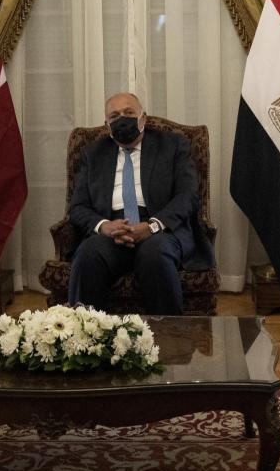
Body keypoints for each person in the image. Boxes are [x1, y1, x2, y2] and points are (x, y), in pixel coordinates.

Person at [67, 92, 214, 314]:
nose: (122, 119)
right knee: (88, 254)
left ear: (143, 118)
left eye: (129, 113)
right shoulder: (94, 153)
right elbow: (77, 207)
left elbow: (187, 196)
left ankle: (170, 337)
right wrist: (104, 226)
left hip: (159, 229)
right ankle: (86, 339)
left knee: (155, 254)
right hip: (112, 230)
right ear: (107, 125)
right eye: (114, 116)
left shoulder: (173, 145)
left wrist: (152, 226)